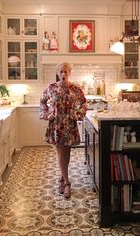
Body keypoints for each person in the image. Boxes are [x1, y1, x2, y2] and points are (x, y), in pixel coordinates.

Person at [40, 62, 87, 198]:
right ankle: (67, 183)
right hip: (56, 125)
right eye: (61, 72)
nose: (63, 74)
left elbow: (83, 103)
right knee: (61, 152)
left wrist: (77, 114)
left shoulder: (75, 88)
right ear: (58, 73)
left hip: (69, 125)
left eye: (66, 72)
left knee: (67, 153)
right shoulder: (51, 88)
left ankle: (61, 177)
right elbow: (42, 101)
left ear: (69, 73)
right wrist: (46, 114)